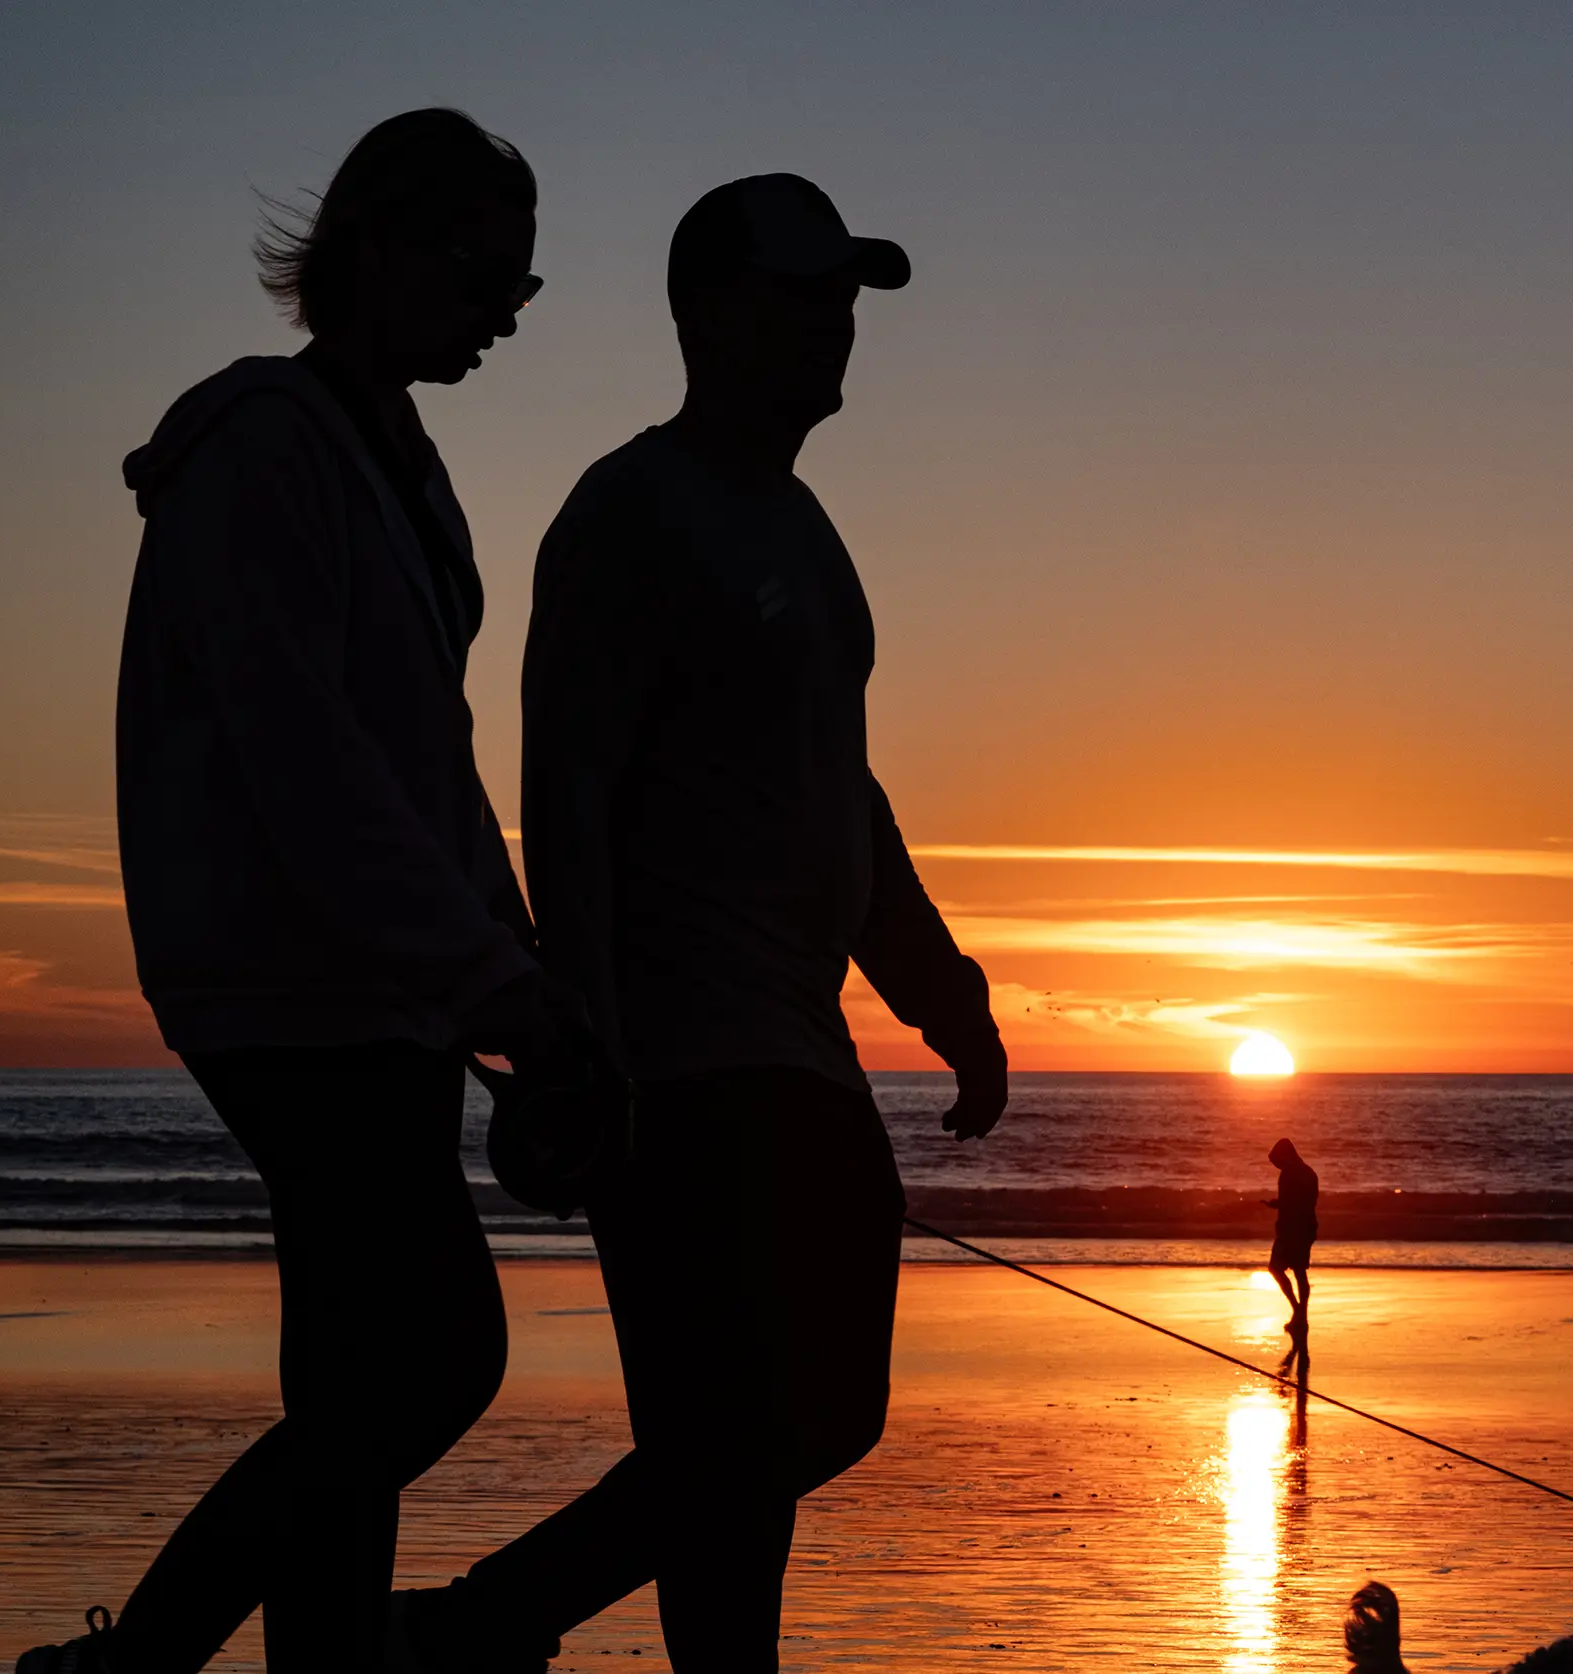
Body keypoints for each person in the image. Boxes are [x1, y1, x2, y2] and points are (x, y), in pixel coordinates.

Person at [394, 174, 1007, 1674]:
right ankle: (487, 1623)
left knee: (772, 1435)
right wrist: (585, 1040)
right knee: (754, 1425)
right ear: (708, 313)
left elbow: (843, 795)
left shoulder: (810, 538)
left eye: (844, 297)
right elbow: (571, 787)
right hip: (680, 1060)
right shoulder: (631, 512)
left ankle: (488, 1630)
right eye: (804, 295)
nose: (834, 325)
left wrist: (944, 991)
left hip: (798, 1046)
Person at [19, 109, 589, 1674]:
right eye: (488, 277)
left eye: (522, 292)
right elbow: (306, 756)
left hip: (380, 980)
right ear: (384, 250)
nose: (501, 315)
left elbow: (427, 761)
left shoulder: (405, 468)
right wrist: (487, 977)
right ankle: (128, 1666)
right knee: (433, 1363)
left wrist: (508, 956)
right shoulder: (266, 446)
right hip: (290, 974)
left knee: (352, 1380)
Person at [1266, 1138, 1320, 1334]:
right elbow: (1304, 1202)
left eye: (1278, 1161)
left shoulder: (1290, 1175)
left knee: (1276, 1268)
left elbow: (1296, 1204)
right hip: (1306, 1228)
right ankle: (1301, 1316)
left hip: (1294, 1230)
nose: (1277, 1165)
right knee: (1299, 1272)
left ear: (1287, 1155)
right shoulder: (1309, 1173)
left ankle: (1298, 1311)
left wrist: (1281, 1207)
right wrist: (1279, 1204)